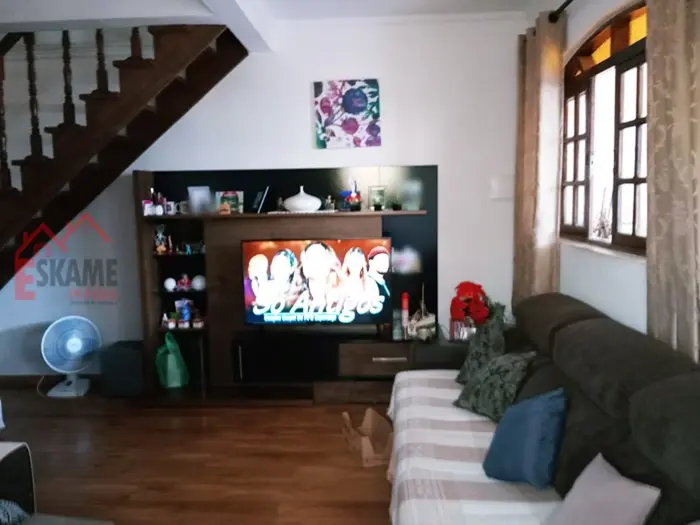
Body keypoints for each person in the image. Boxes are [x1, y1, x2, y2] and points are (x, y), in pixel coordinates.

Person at [299, 241, 341, 307]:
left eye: (318, 257)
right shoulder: (299, 295)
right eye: (309, 257)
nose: (313, 263)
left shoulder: (338, 295)